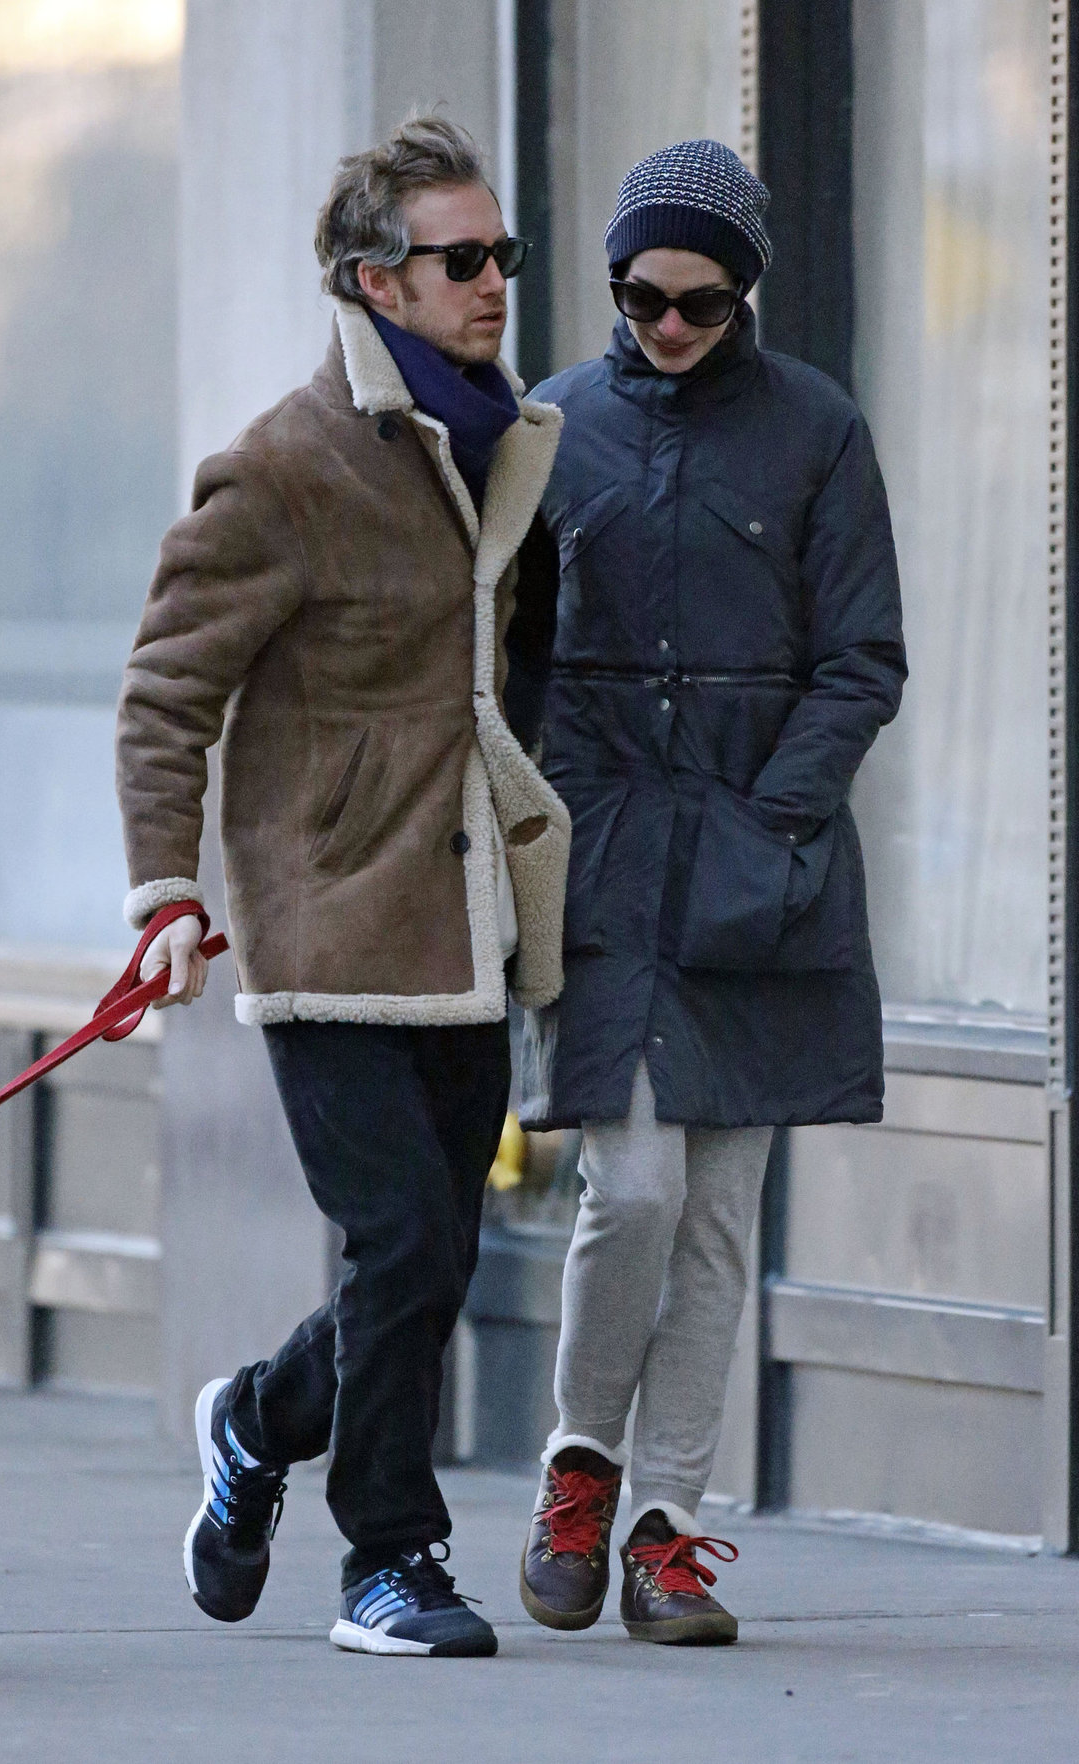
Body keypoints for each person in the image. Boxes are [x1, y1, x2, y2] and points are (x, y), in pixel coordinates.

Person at [115, 115, 569, 1660]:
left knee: (432, 1253)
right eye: (462, 260)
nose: (494, 280)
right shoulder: (284, 467)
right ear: (380, 282)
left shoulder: (509, 439)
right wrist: (164, 894)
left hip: (468, 924)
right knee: (410, 1244)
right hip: (325, 925)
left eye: (503, 253)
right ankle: (392, 1557)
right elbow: (167, 693)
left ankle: (254, 1420)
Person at [510, 138, 907, 1645]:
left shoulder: (817, 429)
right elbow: (504, 652)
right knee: (640, 1187)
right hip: (602, 854)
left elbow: (863, 657)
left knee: (725, 1211)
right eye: (636, 295)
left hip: (762, 862)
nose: (662, 324)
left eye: (693, 300)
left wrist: (772, 818)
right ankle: (579, 1468)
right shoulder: (551, 420)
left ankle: (668, 1527)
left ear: (745, 294)